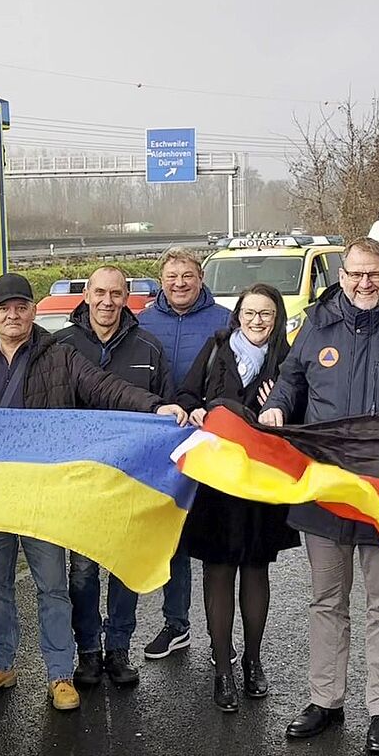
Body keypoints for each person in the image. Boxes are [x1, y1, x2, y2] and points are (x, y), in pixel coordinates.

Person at [0, 272, 188, 712]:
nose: (12, 315)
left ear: (33, 310)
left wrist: (154, 406)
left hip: (44, 494)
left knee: (52, 585)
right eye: (4, 308)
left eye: (21, 306)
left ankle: (59, 672)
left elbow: (107, 389)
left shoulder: (61, 355)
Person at [259, 238, 379, 756]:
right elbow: (290, 382)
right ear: (341, 275)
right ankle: (326, 700)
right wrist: (276, 408)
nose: (364, 284)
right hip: (324, 489)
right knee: (326, 600)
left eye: (374, 274)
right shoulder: (316, 324)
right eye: (355, 275)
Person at [180, 283, 301, 713]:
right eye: (250, 312)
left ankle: (252, 661)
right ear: (238, 315)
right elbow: (186, 395)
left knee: (254, 569)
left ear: (277, 318)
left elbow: (300, 413)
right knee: (217, 572)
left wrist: (283, 405)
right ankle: (222, 671)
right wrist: (194, 410)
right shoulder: (216, 351)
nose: (257, 321)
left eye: (266, 314)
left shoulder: (286, 360)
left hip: (262, 484)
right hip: (216, 484)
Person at [54, 265, 172, 689]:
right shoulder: (59, 346)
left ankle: (118, 647)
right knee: (82, 572)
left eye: (116, 294)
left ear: (128, 298)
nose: (107, 301)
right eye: (99, 292)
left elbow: (166, 409)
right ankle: (88, 650)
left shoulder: (149, 348)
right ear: (86, 294)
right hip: (81, 479)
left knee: (126, 567)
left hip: (133, 479)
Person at [137, 247, 233, 661]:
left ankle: (221, 635)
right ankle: (176, 624)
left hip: (212, 441)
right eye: (172, 276)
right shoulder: (142, 322)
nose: (180, 283)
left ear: (201, 278)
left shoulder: (225, 321)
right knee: (172, 535)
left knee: (214, 539)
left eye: (188, 276)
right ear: (161, 280)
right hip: (162, 443)